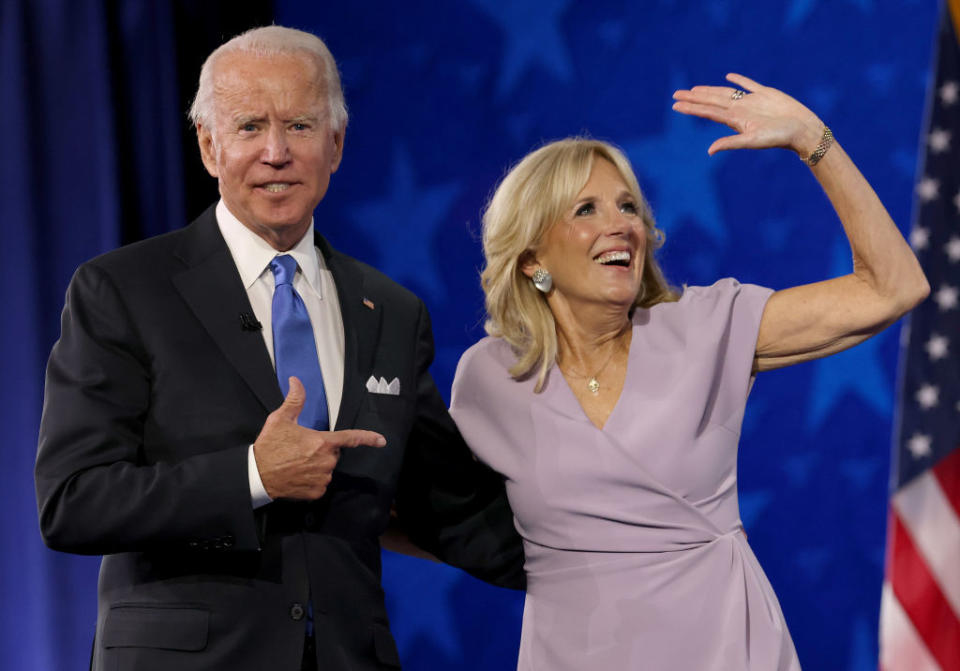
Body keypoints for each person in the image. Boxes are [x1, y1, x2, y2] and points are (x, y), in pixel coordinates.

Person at [35, 26, 522, 671]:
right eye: (248, 128)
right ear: (209, 147)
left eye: (299, 125)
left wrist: (640, 555)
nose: (275, 152)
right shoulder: (123, 291)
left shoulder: (392, 313)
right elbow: (74, 500)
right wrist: (253, 476)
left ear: (336, 144)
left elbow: (455, 511)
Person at [449, 73, 929, 670]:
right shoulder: (490, 378)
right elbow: (429, 512)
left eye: (629, 206)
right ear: (531, 258)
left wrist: (813, 139)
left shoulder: (705, 328)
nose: (621, 223)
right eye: (586, 209)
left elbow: (893, 286)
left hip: (723, 647)